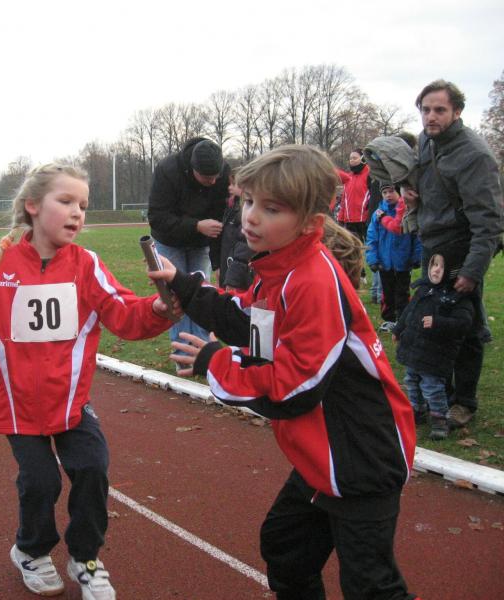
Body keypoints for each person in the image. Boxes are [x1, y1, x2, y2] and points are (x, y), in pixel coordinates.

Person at [149, 145, 418, 600]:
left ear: (310, 223)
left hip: (360, 456)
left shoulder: (311, 281)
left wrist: (216, 361)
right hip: (322, 453)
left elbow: (297, 388)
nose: (251, 217)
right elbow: (247, 321)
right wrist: (183, 285)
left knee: (370, 586)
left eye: (271, 209)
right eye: (248, 201)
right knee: (286, 548)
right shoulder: (278, 269)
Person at [0, 163, 176, 600]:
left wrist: (156, 310)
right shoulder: (2, 265)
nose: (77, 213)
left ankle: (85, 558)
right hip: (17, 405)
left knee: (92, 466)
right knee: (42, 481)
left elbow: (124, 312)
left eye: (83, 206)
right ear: (33, 206)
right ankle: (31, 550)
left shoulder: (86, 265)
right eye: (66, 201)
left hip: (71, 402)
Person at [404, 79, 504, 429]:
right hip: (433, 245)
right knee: (431, 322)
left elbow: (488, 221)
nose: (430, 117)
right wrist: (411, 194)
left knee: (466, 326)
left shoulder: (474, 154)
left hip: (463, 247)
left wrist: (472, 271)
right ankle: (439, 395)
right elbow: (425, 184)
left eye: (439, 110)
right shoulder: (425, 141)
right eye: (425, 109)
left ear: (457, 111)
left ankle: (464, 402)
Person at [147, 137, 230, 361]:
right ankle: (182, 353)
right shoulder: (167, 170)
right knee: (176, 297)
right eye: (207, 177)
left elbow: (219, 222)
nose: (213, 182)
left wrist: (218, 264)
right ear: (193, 169)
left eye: (216, 176)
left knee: (202, 293)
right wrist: (196, 226)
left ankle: (202, 354)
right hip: (169, 241)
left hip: (201, 244)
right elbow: (157, 217)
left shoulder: (222, 175)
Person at [393, 249, 475, 440]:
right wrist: (398, 329)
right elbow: (409, 311)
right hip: (415, 350)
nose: (436, 270)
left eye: (442, 266)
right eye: (434, 264)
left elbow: (463, 324)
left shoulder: (457, 298)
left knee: (432, 387)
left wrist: (437, 322)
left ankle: (439, 420)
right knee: (411, 381)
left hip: (435, 354)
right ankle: (416, 410)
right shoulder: (424, 289)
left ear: (453, 271)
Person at [366, 183, 422, 332]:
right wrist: (372, 259)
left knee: (402, 292)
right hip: (385, 262)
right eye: (384, 192)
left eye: (391, 191)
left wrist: (417, 256)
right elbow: (371, 237)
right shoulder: (378, 214)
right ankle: (389, 319)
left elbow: (416, 236)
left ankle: (402, 319)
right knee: (387, 293)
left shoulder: (407, 212)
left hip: (403, 261)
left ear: (399, 192)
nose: (388, 195)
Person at [218, 171, 253, 292]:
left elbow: (243, 247)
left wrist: (233, 280)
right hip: (229, 265)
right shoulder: (231, 207)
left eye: (234, 184)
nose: (229, 187)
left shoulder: (244, 213)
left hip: (238, 275)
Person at [335, 148, 371, 244]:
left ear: (363, 158)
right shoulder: (348, 177)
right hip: (349, 221)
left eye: (355, 158)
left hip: (365, 221)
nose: (352, 160)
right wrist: (340, 219)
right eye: (350, 158)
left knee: (367, 247)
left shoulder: (370, 175)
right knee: (353, 248)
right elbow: (344, 200)